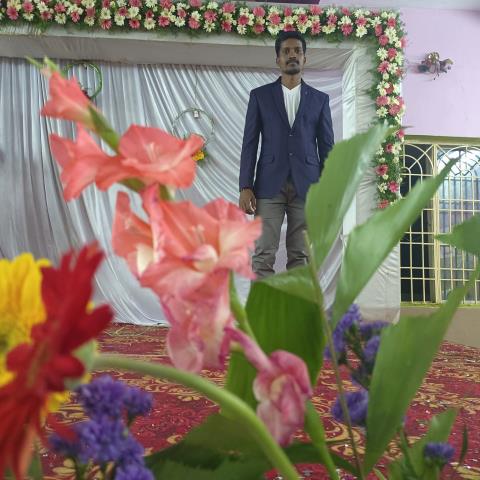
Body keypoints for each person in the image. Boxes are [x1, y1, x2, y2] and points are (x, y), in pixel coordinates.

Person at [238, 31, 334, 279]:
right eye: (286, 51)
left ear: (304, 58)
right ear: (278, 59)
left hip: (308, 185)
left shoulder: (320, 100)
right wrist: (245, 186)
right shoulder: (260, 96)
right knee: (263, 254)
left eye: (297, 51)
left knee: (301, 256)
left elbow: (327, 148)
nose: (292, 55)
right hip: (269, 185)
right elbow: (250, 143)